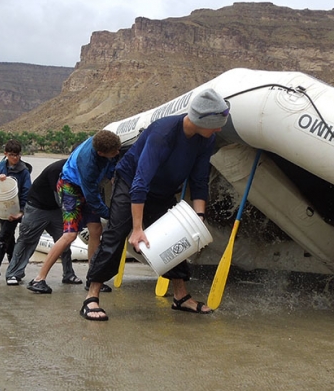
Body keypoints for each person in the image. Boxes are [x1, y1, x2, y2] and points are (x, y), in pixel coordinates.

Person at [80, 88, 229, 321]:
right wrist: (138, 229)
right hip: (130, 183)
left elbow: (200, 179)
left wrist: (199, 218)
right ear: (202, 120)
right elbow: (140, 182)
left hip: (163, 191)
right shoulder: (164, 132)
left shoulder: (206, 139)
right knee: (115, 234)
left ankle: (180, 296)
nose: (219, 129)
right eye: (216, 124)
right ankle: (92, 296)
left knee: (177, 236)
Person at [27, 130, 121, 294]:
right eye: (114, 152)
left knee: (96, 229)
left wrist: (112, 173)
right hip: (70, 187)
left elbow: (110, 162)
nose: (117, 153)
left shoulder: (103, 141)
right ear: (100, 152)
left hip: (87, 186)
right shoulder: (88, 164)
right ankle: (38, 279)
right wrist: (109, 214)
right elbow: (91, 196)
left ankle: (92, 277)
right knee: (70, 235)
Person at [4, 159, 79, 286]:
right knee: (27, 240)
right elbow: (60, 196)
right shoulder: (57, 169)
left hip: (56, 209)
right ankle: (14, 273)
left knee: (64, 242)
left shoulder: (80, 171)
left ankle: (68, 273)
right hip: (37, 207)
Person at [0, 139, 32, 284]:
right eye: (11, 155)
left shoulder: (23, 171)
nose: (15, 158)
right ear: (5, 154)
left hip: (15, 211)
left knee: (3, 238)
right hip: (2, 210)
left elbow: (26, 192)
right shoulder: (0, 167)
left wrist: (21, 212)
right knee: (9, 240)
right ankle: (15, 269)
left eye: (17, 155)